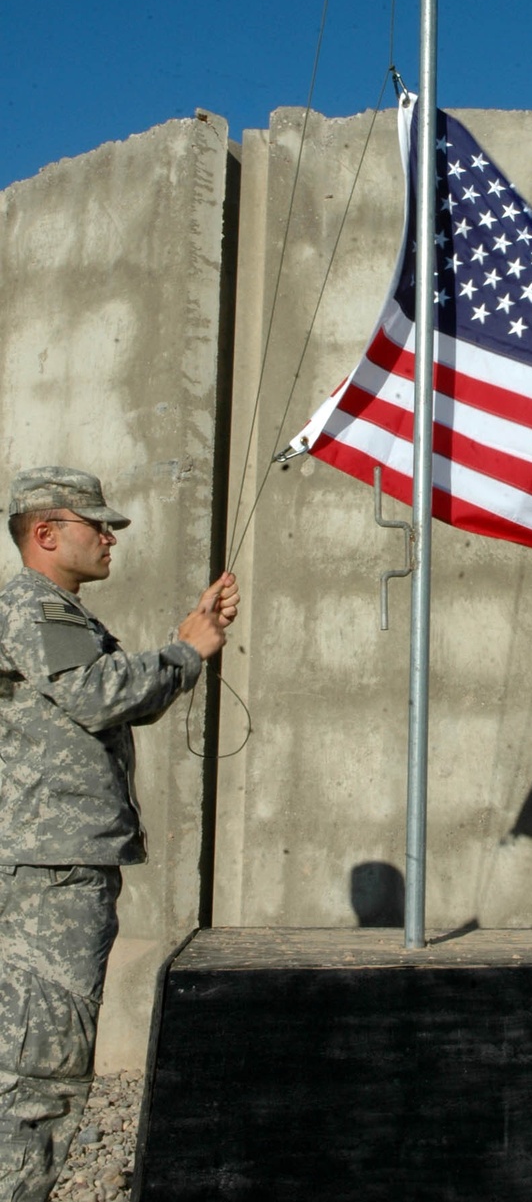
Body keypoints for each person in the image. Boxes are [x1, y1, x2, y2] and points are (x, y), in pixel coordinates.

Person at [0, 466, 240, 1202]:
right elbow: (101, 693)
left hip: (54, 862)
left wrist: (182, 642)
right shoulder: (34, 605)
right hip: (52, 868)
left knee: (32, 1052)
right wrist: (186, 650)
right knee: (41, 1064)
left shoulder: (49, 609)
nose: (110, 537)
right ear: (45, 533)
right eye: (95, 524)